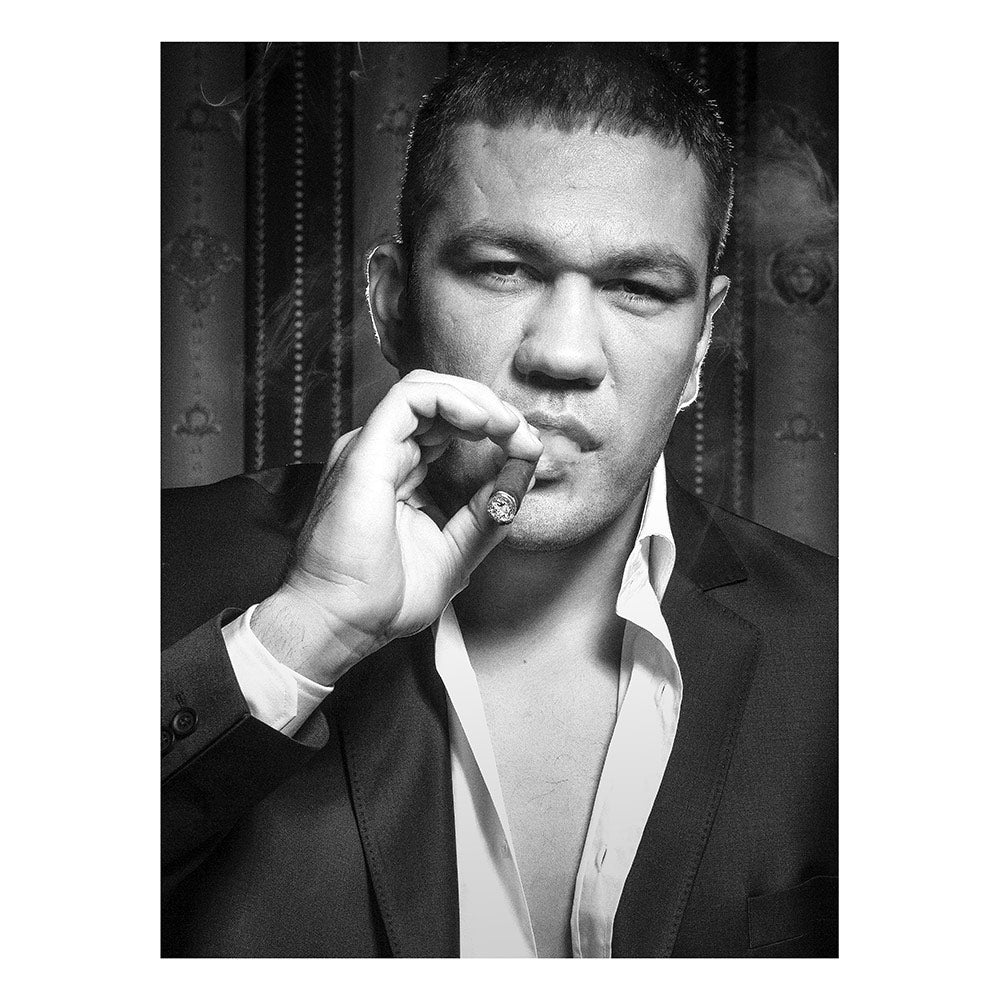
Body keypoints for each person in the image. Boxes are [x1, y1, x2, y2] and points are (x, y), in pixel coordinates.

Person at [161, 43, 837, 958]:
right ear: (393, 303)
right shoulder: (154, 569)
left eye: (639, 288)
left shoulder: (849, 649)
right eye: (502, 269)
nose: (564, 354)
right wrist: (306, 631)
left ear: (702, 342)